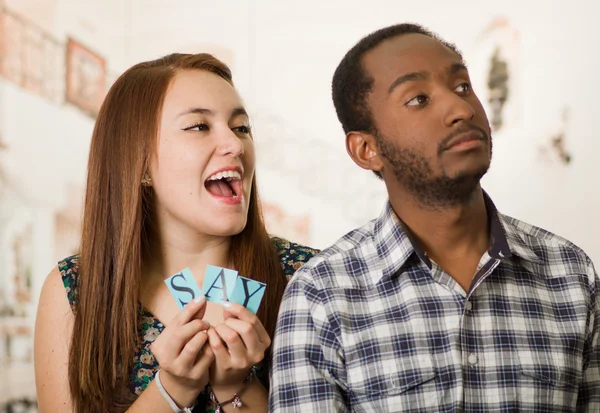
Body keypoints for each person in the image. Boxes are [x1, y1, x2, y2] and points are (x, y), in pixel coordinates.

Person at [269, 23, 599, 411]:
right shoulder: (321, 295)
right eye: (418, 99)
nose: (461, 109)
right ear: (366, 149)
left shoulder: (570, 274)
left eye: (462, 86)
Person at [33, 53, 318, 413]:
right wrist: (172, 389)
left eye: (241, 127)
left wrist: (236, 388)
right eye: (199, 126)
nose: (234, 144)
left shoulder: (308, 277)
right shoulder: (73, 289)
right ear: (140, 164)